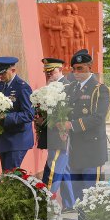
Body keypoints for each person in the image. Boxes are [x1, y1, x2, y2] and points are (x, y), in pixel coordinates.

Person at [59, 49, 110, 203]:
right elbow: (66, 111)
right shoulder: (71, 88)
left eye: (80, 68)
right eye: (74, 69)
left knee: (92, 194)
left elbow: (98, 118)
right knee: (78, 194)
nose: (76, 72)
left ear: (89, 67)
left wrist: (71, 125)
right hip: (75, 149)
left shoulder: (99, 89)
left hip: (92, 150)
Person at [37, 57, 75, 211]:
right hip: (52, 134)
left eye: (51, 71)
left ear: (60, 69)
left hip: (61, 136)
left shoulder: (68, 87)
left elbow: (70, 113)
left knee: (54, 169)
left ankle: (47, 204)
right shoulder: (49, 87)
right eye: (46, 72)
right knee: (63, 170)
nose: (48, 75)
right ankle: (70, 203)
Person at [0, 56, 34, 171]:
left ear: (13, 70)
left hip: (18, 138)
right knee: (6, 173)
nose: (0, 76)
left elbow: (29, 114)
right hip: (4, 137)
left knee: (12, 174)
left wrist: (7, 117)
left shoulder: (22, 87)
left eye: (3, 74)